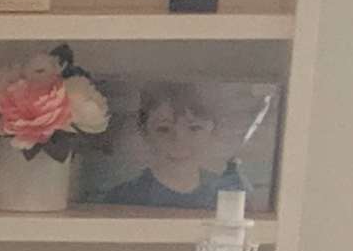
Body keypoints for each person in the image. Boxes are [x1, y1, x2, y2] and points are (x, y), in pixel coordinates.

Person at [92, 84, 257, 209]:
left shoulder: (228, 194)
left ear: (213, 131)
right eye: (164, 129)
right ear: (145, 132)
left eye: (194, 128)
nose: (179, 140)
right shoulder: (123, 197)